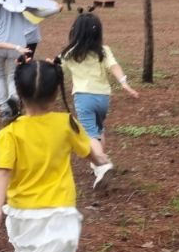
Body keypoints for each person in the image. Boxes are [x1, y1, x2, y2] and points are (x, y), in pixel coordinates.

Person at [0, 59, 109, 252]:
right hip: (60, 210)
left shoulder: (10, 133)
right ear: (56, 93)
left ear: (19, 92)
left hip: (23, 212)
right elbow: (89, 152)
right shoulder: (66, 123)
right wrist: (99, 158)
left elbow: (2, 172)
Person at [57, 12, 139, 190]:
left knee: (89, 134)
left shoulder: (69, 53)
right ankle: (98, 164)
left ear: (75, 32)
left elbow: (55, 69)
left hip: (83, 98)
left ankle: (102, 164)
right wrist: (124, 83)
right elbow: (114, 66)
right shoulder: (104, 50)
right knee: (99, 129)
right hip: (103, 98)